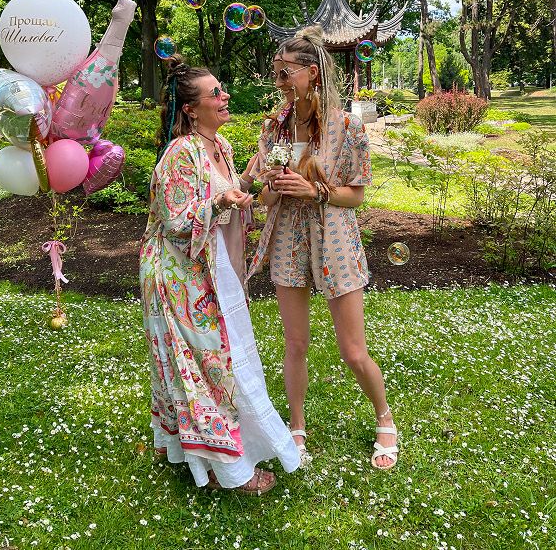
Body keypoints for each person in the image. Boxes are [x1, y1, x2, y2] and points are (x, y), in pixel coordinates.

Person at [139, 56, 300, 493]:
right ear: (192, 110)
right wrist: (223, 201)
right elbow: (176, 222)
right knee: (205, 365)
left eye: (221, 88)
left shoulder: (221, 146)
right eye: (215, 93)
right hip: (178, 275)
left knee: (218, 358)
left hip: (211, 268)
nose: (224, 96)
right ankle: (219, 469)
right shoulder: (180, 152)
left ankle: (196, 450)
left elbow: (229, 197)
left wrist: (249, 183)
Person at [247, 26, 399, 470]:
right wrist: (272, 187)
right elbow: (265, 197)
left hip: (333, 238)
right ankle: (296, 427)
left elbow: (356, 196)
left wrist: (314, 190)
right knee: (295, 343)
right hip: (287, 239)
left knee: (353, 350)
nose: (279, 82)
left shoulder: (347, 126)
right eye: (276, 73)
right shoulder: (273, 128)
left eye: (285, 73)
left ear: (311, 73)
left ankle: (385, 418)